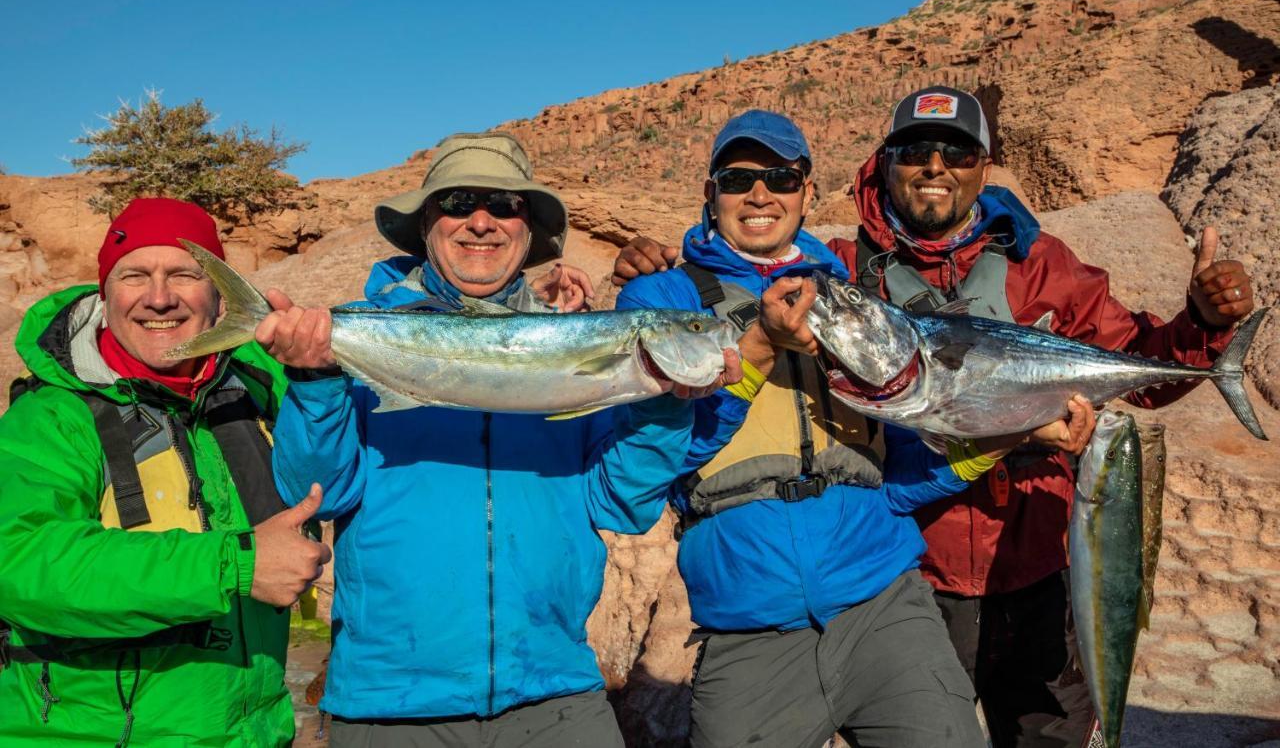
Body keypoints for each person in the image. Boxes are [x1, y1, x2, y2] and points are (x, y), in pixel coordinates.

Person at [610, 110, 1094, 748]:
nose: (760, 195)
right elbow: (657, 467)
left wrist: (1010, 437)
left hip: (887, 609)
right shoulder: (659, 302)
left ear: (807, 193)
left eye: (781, 178)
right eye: (738, 178)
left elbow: (894, 479)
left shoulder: (854, 301)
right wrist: (756, 352)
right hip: (748, 626)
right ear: (712, 194)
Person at [257, 131, 739, 748]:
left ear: (528, 229)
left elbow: (622, 504)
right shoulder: (358, 334)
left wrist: (668, 407)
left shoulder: (580, 346)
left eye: (505, 205)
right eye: (457, 203)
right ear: (426, 223)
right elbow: (316, 494)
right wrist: (314, 381)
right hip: (389, 702)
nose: (480, 222)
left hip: (556, 693)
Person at [824, 85, 1256, 747]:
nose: (936, 165)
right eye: (916, 150)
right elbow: (748, 280)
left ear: (985, 166)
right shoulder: (845, 269)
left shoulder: (1041, 261)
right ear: (885, 161)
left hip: (1041, 565)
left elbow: (1137, 372)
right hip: (905, 571)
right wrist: (657, 272)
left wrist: (1200, 324)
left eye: (958, 153)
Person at [0, 197, 330, 746]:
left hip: (253, 732)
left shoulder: (262, 391)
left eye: (183, 274)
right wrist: (235, 566)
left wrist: (318, 382)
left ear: (218, 298)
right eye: (135, 276)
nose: (159, 298)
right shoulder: (51, 417)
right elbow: (19, 561)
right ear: (105, 296)